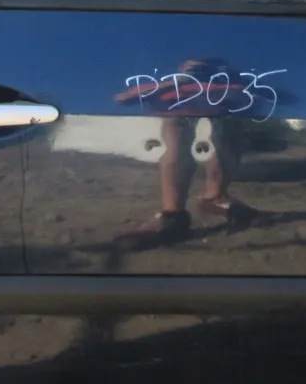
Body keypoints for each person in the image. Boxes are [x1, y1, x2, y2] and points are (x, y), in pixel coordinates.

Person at [113, 57, 264, 251]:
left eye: (207, 69)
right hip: (179, 113)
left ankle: (216, 198)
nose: (201, 74)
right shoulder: (171, 85)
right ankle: (172, 213)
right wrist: (176, 83)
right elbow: (123, 98)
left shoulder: (229, 86)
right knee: (176, 133)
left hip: (221, 111)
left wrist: (241, 84)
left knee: (227, 133)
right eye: (196, 69)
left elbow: (272, 97)